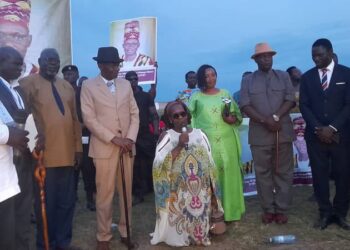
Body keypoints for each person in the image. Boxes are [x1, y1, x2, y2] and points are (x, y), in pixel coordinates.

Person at [19, 48, 83, 250]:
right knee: (46, 205)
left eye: (55, 61)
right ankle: (46, 244)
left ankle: (63, 242)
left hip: (68, 155)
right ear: (40, 61)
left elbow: (74, 120)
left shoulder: (66, 86)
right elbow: (22, 118)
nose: (52, 64)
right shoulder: (27, 84)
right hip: (43, 157)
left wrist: (78, 149)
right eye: (48, 60)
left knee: (67, 204)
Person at [80, 46, 139, 250]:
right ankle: (103, 236)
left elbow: (134, 114)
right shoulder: (88, 86)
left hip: (126, 149)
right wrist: (114, 138)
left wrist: (129, 139)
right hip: (105, 148)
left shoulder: (125, 85)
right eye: (111, 65)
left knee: (126, 193)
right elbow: (89, 119)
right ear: (100, 65)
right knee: (104, 195)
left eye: (117, 65)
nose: (115, 69)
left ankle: (126, 231)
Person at [151, 101, 223, 246]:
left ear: (187, 115)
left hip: (200, 190)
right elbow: (158, 166)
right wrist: (179, 145)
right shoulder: (167, 136)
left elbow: (210, 161)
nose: (180, 118)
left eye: (182, 114)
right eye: (175, 116)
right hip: (178, 190)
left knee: (200, 237)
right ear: (170, 119)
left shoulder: (200, 134)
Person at [239, 42, 295, 224]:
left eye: (269, 56)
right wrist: (265, 120)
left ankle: (281, 208)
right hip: (259, 135)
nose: (266, 59)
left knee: (283, 171)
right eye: (262, 56)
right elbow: (245, 105)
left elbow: (290, 99)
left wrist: (276, 117)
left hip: (282, 132)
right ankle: (268, 209)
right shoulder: (248, 80)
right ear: (256, 60)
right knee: (263, 173)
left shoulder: (283, 76)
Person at [299, 38, 350, 230]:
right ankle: (324, 213)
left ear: (330, 52)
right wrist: (319, 128)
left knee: (343, 175)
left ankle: (340, 213)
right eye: (313, 56)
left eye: (319, 55)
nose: (316, 59)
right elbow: (304, 105)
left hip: (342, 136)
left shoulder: (346, 73)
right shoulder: (307, 77)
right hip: (316, 137)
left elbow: (348, 104)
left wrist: (333, 128)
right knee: (319, 176)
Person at [188, 64, 245, 222]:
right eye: (206, 76)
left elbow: (236, 115)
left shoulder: (225, 94)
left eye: (213, 75)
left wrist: (230, 118)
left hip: (227, 143)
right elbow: (189, 119)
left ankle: (232, 212)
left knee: (229, 174)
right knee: (212, 177)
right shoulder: (196, 98)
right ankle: (212, 214)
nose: (211, 78)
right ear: (201, 79)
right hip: (208, 144)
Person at [0, 46, 30, 250]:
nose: (20, 68)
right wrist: (9, 135)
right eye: (16, 64)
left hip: (20, 161)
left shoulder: (14, 89)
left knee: (21, 215)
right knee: (6, 227)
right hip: (4, 168)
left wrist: (38, 138)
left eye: (22, 64)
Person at [63, 66, 97, 211]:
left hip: (84, 136)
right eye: (66, 74)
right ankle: (72, 197)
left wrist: (83, 125)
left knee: (88, 168)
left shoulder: (84, 91)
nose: (69, 76)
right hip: (66, 138)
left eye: (72, 73)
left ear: (77, 74)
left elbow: (92, 111)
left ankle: (90, 199)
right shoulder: (59, 91)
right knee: (70, 170)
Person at [125, 71, 159, 205]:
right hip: (131, 135)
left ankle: (152, 188)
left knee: (151, 163)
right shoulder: (123, 97)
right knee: (136, 165)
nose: (133, 81)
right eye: (130, 79)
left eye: (135, 78)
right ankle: (138, 193)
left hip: (145, 134)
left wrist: (156, 130)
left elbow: (154, 114)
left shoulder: (145, 96)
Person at [0, 0, 38, 76]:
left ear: (28, 41)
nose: (8, 44)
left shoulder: (38, 76)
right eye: (1, 36)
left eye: (17, 37)